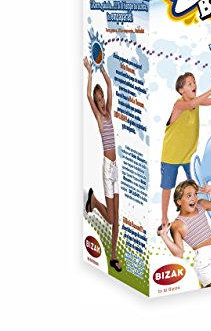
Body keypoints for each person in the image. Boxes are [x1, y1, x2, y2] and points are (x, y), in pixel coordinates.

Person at [159, 73, 211, 232]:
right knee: (167, 187)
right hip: (171, 156)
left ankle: (197, 216)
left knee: (197, 186)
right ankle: (164, 217)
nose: (194, 85)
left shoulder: (196, 103)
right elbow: (191, 104)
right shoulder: (179, 105)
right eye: (189, 84)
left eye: (194, 82)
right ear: (181, 90)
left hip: (189, 156)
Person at [159, 179, 211, 288]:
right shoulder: (177, 224)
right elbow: (178, 253)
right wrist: (164, 236)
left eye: (195, 194)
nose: (193, 198)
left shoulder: (201, 205)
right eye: (188, 195)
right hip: (205, 263)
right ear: (179, 201)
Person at [83, 57, 122, 272]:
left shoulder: (109, 114)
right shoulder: (100, 118)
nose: (101, 101)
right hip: (107, 168)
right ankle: (95, 202)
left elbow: (109, 85)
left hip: (116, 169)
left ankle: (113, 256)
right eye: (99, 100)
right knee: (110, 219)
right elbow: (88, 96)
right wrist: (90, 73)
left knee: (117, 218)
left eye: (102, 98)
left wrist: (102, 66)